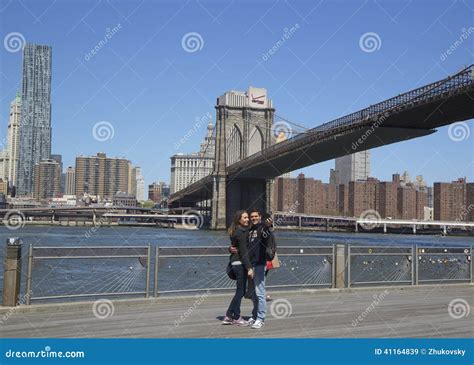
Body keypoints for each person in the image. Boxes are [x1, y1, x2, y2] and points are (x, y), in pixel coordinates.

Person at [222, 210, 254, 326]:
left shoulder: (236, 231)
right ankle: (235, 317)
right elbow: (244, 252)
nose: (247, 219)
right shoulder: (241, 233)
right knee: (240, 292)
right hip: (240, 264)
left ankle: (230, 316)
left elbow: (237, 248)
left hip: (234, 263)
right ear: (239, 220)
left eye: (247, 218)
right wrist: (249, 267)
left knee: (240, 292)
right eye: (244, 218)